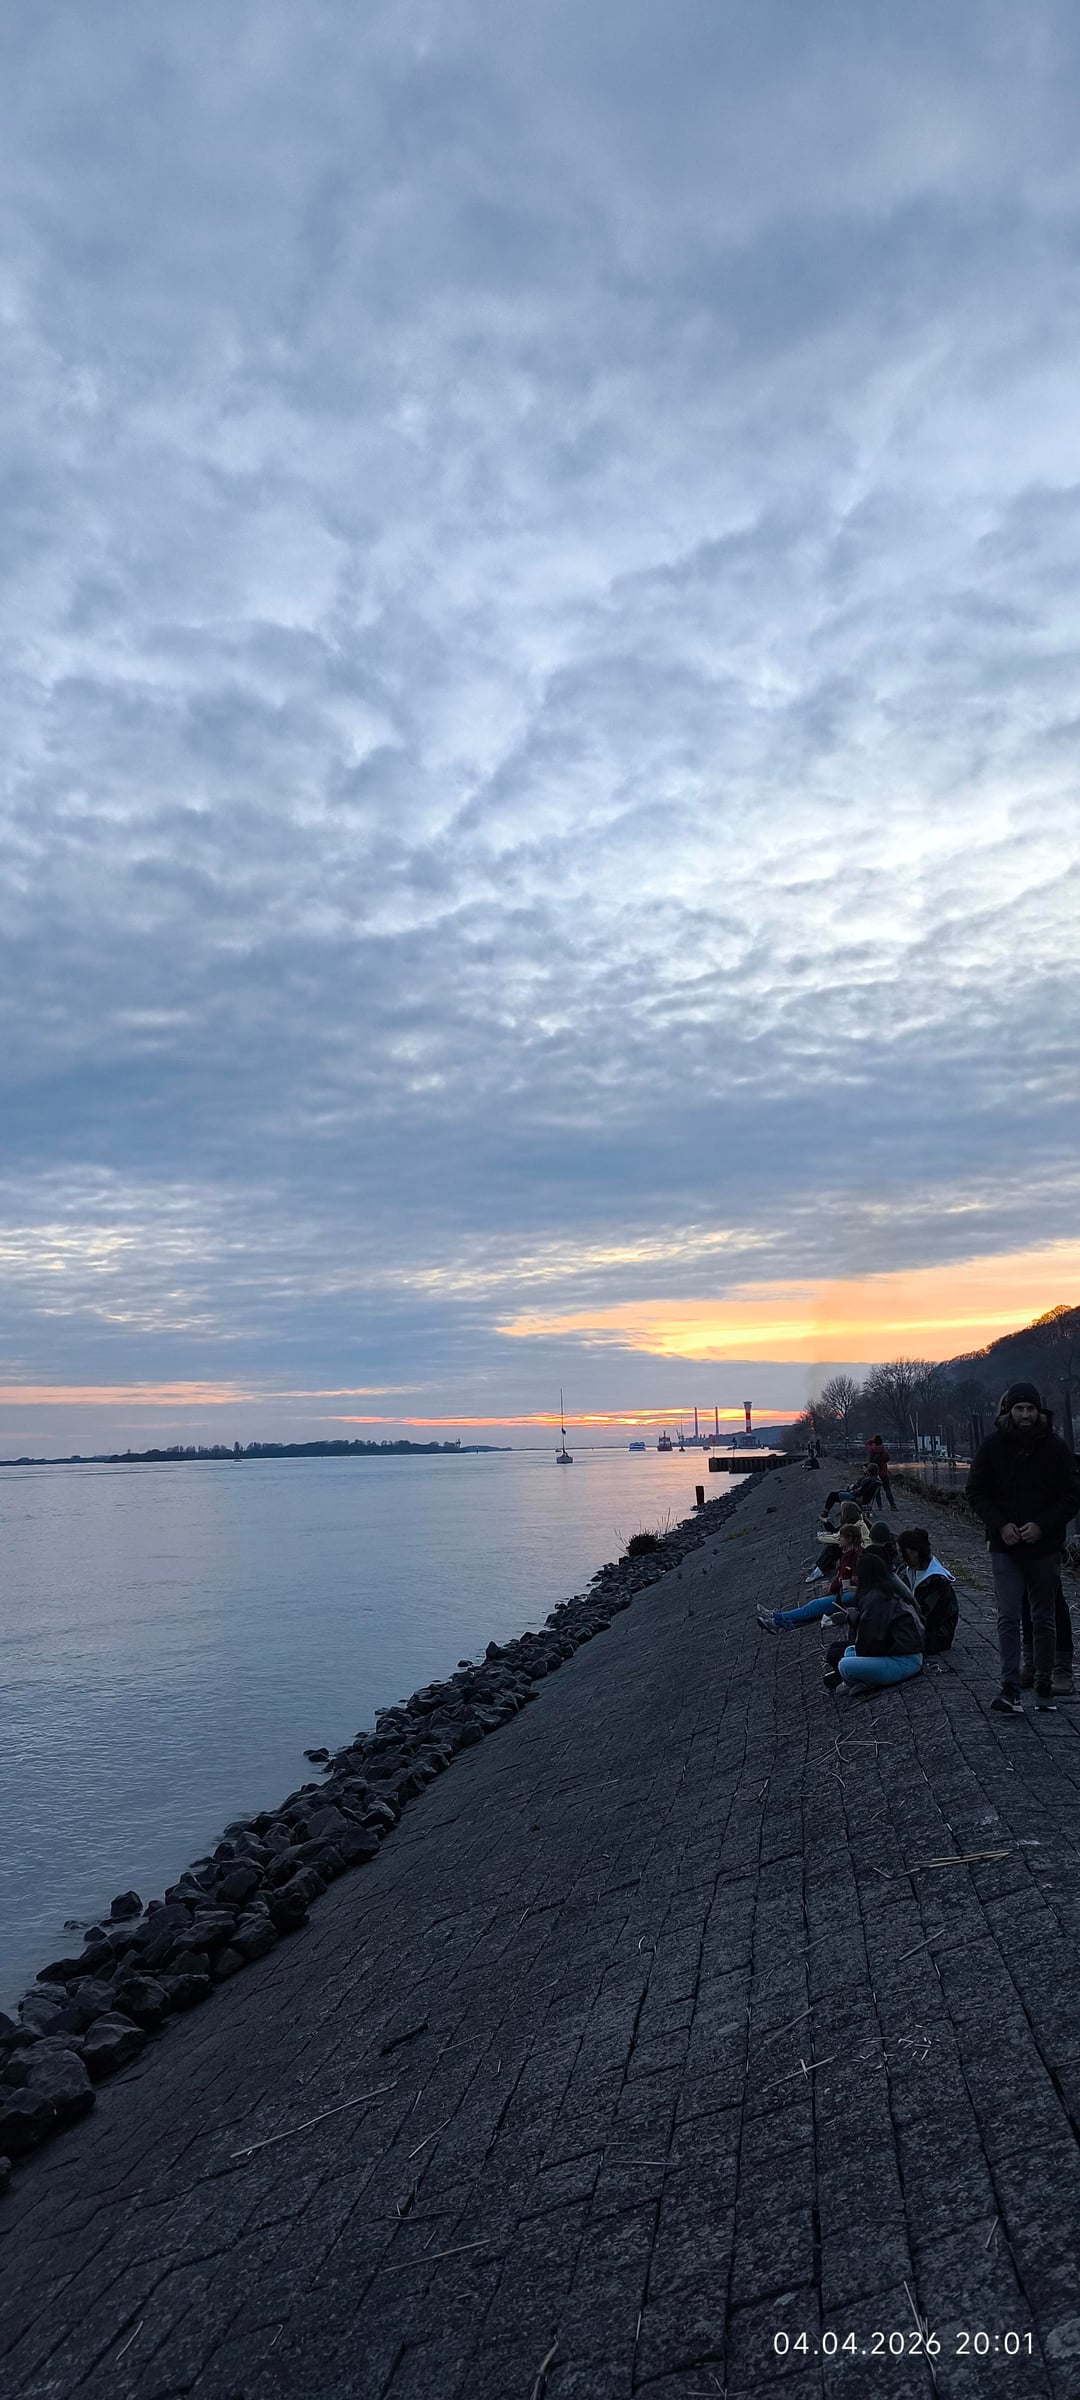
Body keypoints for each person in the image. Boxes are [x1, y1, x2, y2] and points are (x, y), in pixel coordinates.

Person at [967, 1381, 1080, 1716]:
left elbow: (1071, 1496)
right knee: (1008, 1616)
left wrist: (1042, 1525)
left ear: (1038, 1410)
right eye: (1020, 1408)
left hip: (1044, 1548)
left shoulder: (1056, 1448)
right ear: (1010, 1411)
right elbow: (976, 1491)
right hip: (1005, 1546)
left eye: (1030, 1408)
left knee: (1044, 1616)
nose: (1026, 1415)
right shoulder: (992, 1447)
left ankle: (1044, 1684)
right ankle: (1010, 1687)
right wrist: (1001, 1525)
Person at [823, 1549, 923, 1691]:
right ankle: (859, 1678)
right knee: (849, 1651)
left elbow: (868, 1646)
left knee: (844, 1665)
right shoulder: (884, 1592)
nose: (855, 1578)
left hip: (904, 1660)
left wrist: (856, 1622)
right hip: (901, 1653)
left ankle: (860, 1681)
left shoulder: (876, 1602)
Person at [896, 1527, 958, 1654]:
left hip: (935, 1634)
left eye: (902, 1551)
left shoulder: (937, 1580)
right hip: (911, 1626)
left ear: (915, 1552)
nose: (899, 1556)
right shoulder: (904, 1571)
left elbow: (928, 1616)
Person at [865, 1434, 898, 1511]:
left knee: (877, 1490)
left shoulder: (871, 1450)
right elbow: (888, 1458)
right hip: (883, 1473)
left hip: (874, 1473)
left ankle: (879, 1506)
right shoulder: (884, 1452)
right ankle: (892, 1505)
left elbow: (867, 1443)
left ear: (875, 1442)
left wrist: (873, 1440)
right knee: (887, 1489)